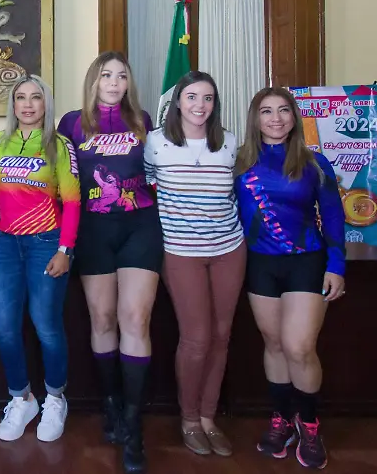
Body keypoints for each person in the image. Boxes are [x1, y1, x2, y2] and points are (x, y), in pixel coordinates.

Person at [57, 51, 160, 474]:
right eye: (106, 75)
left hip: (140, 227)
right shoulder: (71, 123)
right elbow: (58, 177)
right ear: (93, 81)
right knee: (102, 320)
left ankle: (134, 428)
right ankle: (112, 404)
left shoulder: (144, 121)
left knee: (135, 319)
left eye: (121, 76)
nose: (114, 82)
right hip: (93, 232)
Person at [234, 87, 346, 470]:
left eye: (284, 110)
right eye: (266, 111)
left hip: (305, 263)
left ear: (294, 116)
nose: (276, 118)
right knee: (275, 345)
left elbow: (332, 216)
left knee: (299, 347)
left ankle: (309, 424)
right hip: (259, 265)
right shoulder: (239, 163)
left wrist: (337, 265)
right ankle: (281, 419)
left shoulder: (315, 163)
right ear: (256, 119)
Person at [143, 71, 245, 458]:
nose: (200, 105)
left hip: (228, 249)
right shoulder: (157, 142)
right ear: (178, 103)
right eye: (191, 97)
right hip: (181, 251)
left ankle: (207, 417)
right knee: (197, 338)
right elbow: (149, 186)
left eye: (207, 98)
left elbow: (236, 190)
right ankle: (188, 419)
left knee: (221, 336)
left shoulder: (230, 143)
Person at [0, 74, 80, 443]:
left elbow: (72, 201)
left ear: (45, 104)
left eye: (35, 97)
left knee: (45, 325)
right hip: (6, 243)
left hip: (46, 242)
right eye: (20, 97)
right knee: (4, 324)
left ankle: (55, 398)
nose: (27, 104)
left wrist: (65, 250)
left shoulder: (60, 145)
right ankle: (21, 398)